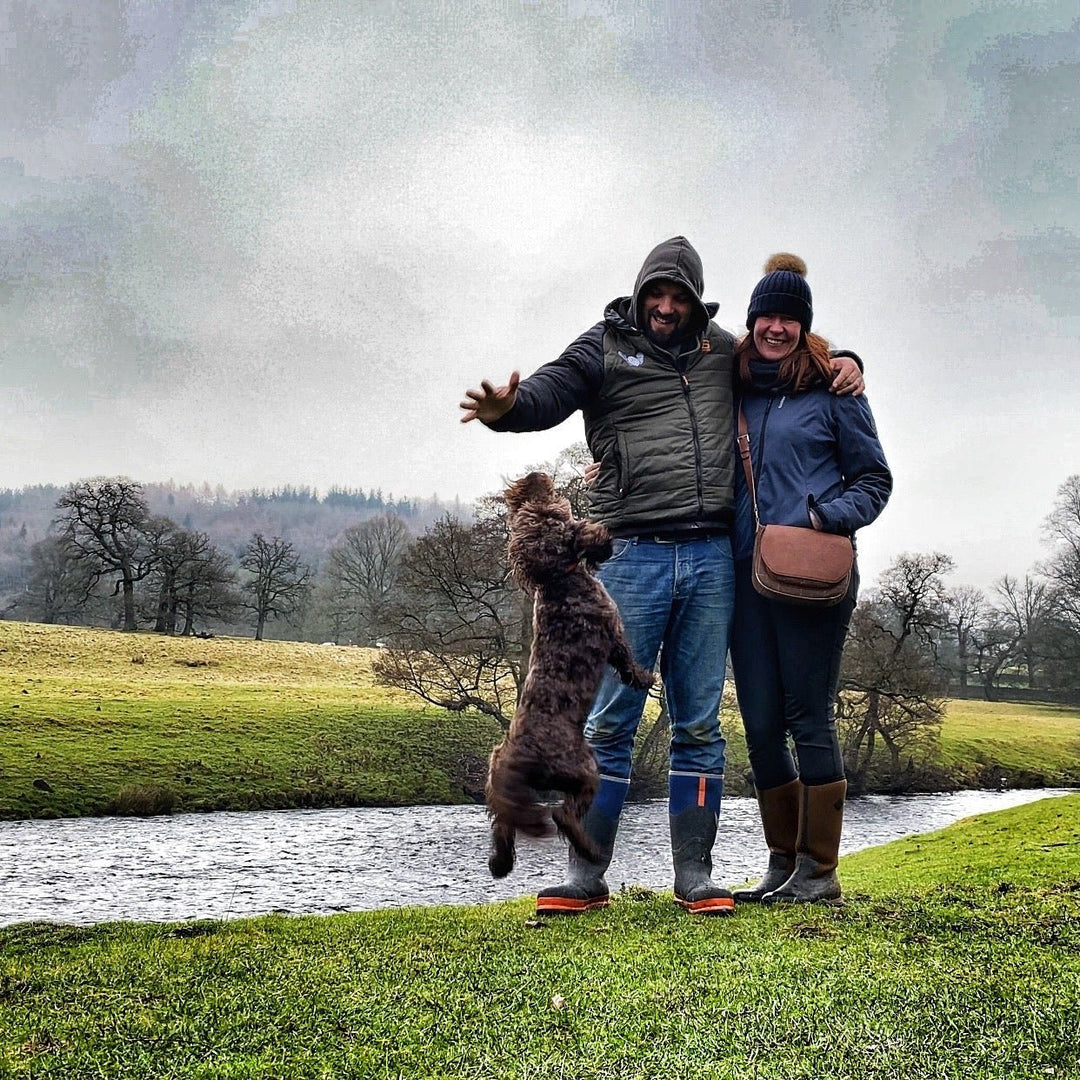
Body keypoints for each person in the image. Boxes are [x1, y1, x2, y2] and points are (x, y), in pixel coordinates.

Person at [460, 237, 862, 917]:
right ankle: (586, 877)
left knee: (700, 723)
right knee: (612, 719)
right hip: (634, 554)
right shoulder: (607, 344)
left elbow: (786, 357)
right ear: (641, 293)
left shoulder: (720, 351)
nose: (667, 307)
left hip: (712, 558)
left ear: (695, 301)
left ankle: (695, 877)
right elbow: (554, 388)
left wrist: (848, 361)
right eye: (657, 295)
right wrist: (509, 412)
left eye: (679, 296)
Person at [728, 254, 892, 905]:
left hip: (813, 577)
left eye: (789, 318)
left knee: (808, 715)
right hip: (744, 576)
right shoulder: (734, 385)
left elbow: (875, 482)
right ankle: (781, 862)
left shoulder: (837, 389)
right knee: (762, 722)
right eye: (766, 315)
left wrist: (824, 517)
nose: (776, 327)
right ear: (751, 320)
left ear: (804, 326)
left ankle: (820, 872)